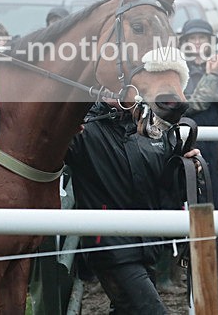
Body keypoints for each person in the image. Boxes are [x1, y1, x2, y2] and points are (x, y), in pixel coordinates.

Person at [66, 100, 203, 315]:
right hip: (110, 247)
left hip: (148, 245)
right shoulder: (82, 127)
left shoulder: (151, 128)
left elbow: (167, 189)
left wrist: (188, 170)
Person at [179, 18, 218, 274]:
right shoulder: (177, 71)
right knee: (190, 193)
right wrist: (210, 76)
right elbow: (189, 105)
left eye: (202, 38)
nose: (197, 44)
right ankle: (190, 253)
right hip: (188, 139)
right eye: (192, 39)